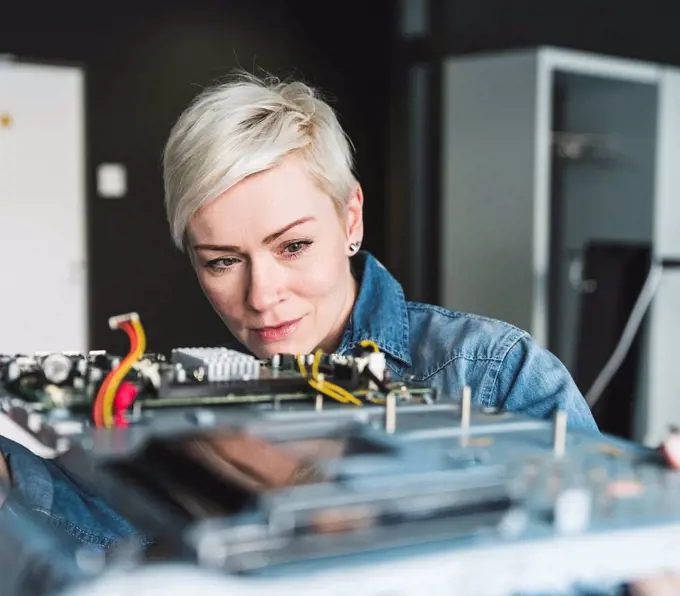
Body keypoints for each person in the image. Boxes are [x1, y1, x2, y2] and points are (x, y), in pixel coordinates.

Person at [162, 71, 597, 431]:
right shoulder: (187, 405)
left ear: (351, 219)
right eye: (223, 261)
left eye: (293, 246)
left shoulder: (497, 374)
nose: (260, 296)